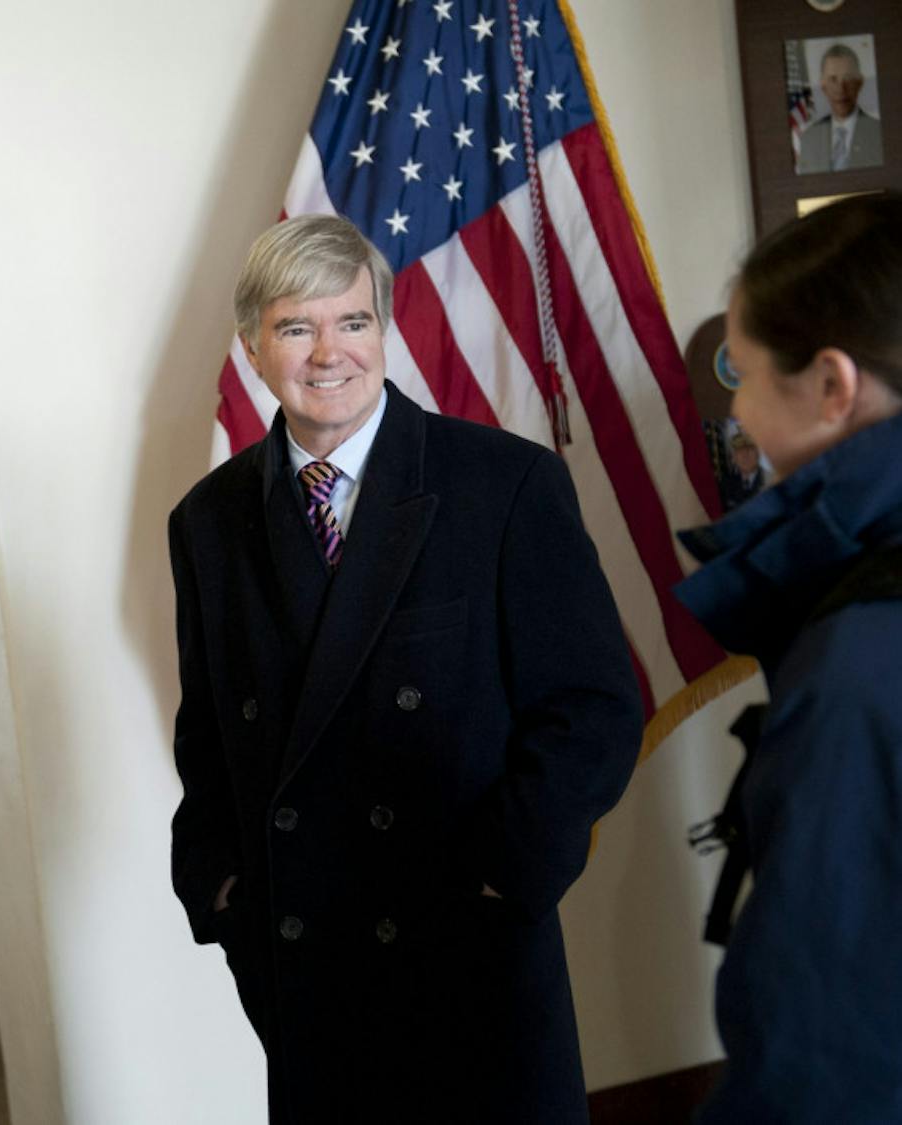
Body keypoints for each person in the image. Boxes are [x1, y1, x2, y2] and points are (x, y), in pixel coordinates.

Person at [167, 215, 643, 1123]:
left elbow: (593, 707)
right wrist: (220, 882)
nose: (329, 353)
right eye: (296, 327)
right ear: (253, 348)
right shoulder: (207, 519)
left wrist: (509, 872)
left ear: (383, 328)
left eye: (352, 321)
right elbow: (210, 730)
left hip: (470, 953)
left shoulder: (504, 484)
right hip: (305, 968)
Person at [677, 193, 902, 1121]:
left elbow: (821, 1057)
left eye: (744, 369)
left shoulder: (858, 661)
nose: (734, 405)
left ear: (832, 386)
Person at [797, 43, 883, 173]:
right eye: (833, 79)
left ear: (860, 82)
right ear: (823, 85)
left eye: (848, 78)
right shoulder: (809, 138)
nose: (841, 88)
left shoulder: (879, 133)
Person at [719, 429, 765, 510]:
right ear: (734, 457)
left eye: (749, 449)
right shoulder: (725, 484)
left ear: (758, 454)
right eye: (739, 451)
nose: (745, 455)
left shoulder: (770, 481)